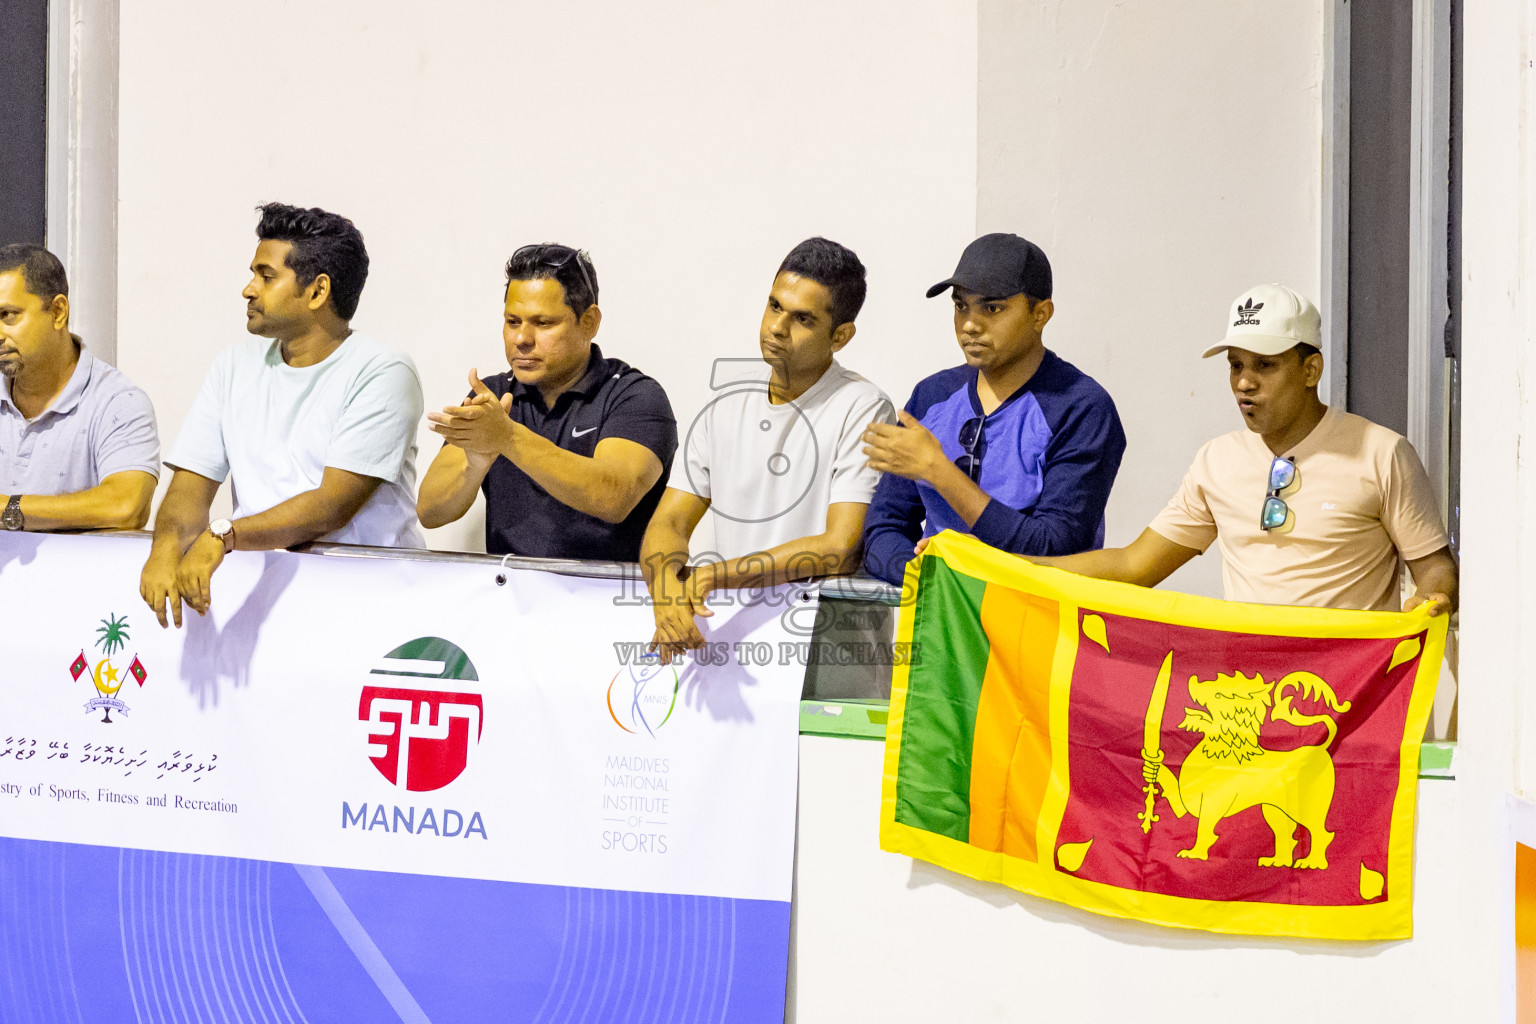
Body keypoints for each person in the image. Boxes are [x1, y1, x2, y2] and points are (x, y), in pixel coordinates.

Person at [1028, 283, 1458, 615]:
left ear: (1311, 370)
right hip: (1246, 701)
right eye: (1235, 365)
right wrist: (1009, 571)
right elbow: (1133, 567)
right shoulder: (1216, 462)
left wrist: (1432, 598)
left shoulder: (1382, 454)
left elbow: (1435, 566)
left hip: (1346, 703)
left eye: (1265, 366)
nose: (1244, 383)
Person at [139, 203, 424, 628]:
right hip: (263, 598)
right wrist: (164, 549)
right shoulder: (233, 366)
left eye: (266, 276)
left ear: (317, 291)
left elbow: (329, 507)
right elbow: (189, 489)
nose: (248, 289)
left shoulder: (383, 371)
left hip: (369, 605)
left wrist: (224, 535)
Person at [642, 237, 895, 661]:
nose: (777, 327)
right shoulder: (724, 405)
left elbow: (840, 546)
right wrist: (665, 585)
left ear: (842, 336)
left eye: (803, 319)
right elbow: (669, 520)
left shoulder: (864, 407)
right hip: (730, 644)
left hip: (825, 651)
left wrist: (713, 576)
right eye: (775, 306)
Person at [861, 232, 1126, 585]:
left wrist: (940, 471)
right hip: (936, 618)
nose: (970, 324)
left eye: (992, 308)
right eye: (960, 306)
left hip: (1037, 626)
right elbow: (884, 526)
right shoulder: (932, 395)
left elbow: (1057, 547)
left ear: (1040, 314)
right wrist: (923, 576)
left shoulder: (1082, 407)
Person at [417, 244, 677, 560]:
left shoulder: (634, 396)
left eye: (543, 323)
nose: (522, 339)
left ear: (589, 322)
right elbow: (430, 512)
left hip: (605, 600)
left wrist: (507, 437)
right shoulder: (493, 397)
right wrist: (475, 463)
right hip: (510, 598)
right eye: (513, 321)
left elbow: (613, 497)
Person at [0, 244, 159, 532]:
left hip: (75, 576)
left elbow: (126, 506)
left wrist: (9, 509)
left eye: (7, 315)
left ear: (58, 311)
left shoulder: (118, 402)